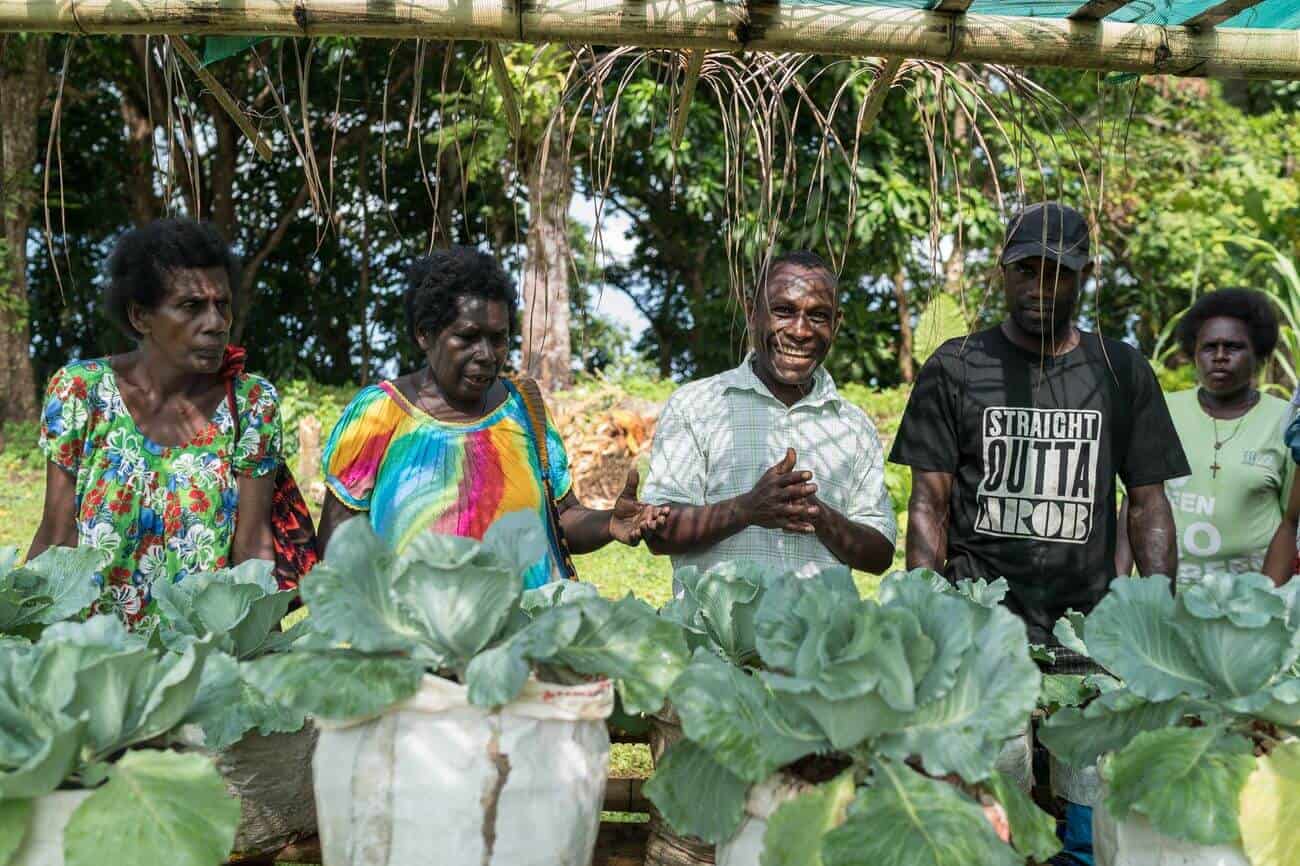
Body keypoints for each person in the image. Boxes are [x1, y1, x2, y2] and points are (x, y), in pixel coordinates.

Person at [889, 202, 1189, 866]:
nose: (1039, 288)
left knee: (1092, 810)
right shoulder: (957, 367)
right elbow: (929, 506)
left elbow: (1147, 506)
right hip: (984, 632)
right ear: (1003, 272)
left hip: (1092, 634)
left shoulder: (1121, 371)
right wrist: (923, 615)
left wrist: (1155, 620)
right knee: (992, 807)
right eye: (1025, 271)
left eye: (1057, 273)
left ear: (1085, 276)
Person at [317, 246, 665, 587]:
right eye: (467, 337)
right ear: (424, 334)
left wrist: (610, 523)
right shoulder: (379, 414)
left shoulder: (524, 410)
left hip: (528, 637)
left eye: (498, 339)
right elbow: (337, 551)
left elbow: (562, 519)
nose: (486, 354)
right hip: (413, 639)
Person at [30, 219, 281, 629]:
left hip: (201, 656)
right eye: (191, 306)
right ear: (141, 316)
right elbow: (57, 535)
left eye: (223, 305)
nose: (216, 323)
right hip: (94, 654)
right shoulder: (82, 392)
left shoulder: (252, 404)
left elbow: (253, 548)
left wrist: (262, 650)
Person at [641, 250, 896, 579]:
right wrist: (746, 509)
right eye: (784, 311)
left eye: (818, 316)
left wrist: (819, 515)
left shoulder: (854, 426)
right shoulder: (696, 405)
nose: (800, 331)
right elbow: (658, 533)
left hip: (821, 632)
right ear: (752, 313)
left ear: (836, 323)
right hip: (718, 631)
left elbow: (880, 556)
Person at [1116, 289, 1294, 585]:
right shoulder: (1162, 411)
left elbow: (1290, 523)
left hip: (1250, 607)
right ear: (1193, 352)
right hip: (1169, 602)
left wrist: (1266, 604)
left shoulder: (1285, 422)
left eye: (1234, 347)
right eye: (1209, 347)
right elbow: (1134, 506)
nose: (1220, 357)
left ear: (1258, 353)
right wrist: (1118, 586)